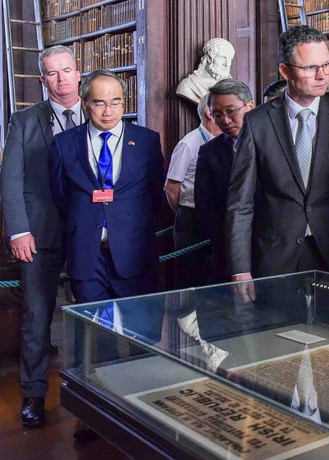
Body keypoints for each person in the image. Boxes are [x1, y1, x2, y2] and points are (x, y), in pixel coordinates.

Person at [226, 25, 329, 291]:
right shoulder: (257, 122)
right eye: (310, 68)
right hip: (274, 258)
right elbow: (240, 203)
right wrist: (240, 269)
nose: (322, 75)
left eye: (327, 65)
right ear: (285, 71)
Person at [0, 45, 82, 428]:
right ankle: (33, 395)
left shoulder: (99, 113)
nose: (61, 78)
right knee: (36, 317)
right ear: (42, 80)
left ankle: (88, 394)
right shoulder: (25, 121)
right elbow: (10, 181)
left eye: (66, 70)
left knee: (90, 313)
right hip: (38, 234)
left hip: (86, 233)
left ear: (77, 73)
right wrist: (19, 230)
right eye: (52, 73)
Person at [49, 69, 165, 304]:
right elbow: (61, 196)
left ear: (124, 102)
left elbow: (155, 195)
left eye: (116, 103)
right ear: (84, 103)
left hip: (134, 252)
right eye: (99, 103)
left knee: (141, 331)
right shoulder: (64, 143)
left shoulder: (146, 141)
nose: (108, 111)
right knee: (92, 334)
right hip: (86, 254)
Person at [194, 79, 255, 284]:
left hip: (273, 249)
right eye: (217, 115)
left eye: (231, 112)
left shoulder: (271, 144)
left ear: (250, 106)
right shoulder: (209, 151)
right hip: (225, 250)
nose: (225, 120)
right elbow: (205, 206)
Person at [164, 94, 221, 288]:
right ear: (210, 114)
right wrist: (185, 211)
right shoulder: (188, 144)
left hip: (216, 217)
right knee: (190, 276)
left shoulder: (225, 142)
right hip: (190, 218)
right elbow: (171, 189)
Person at [176, 38, 236, 104]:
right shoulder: (188, 85)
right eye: (222, 57)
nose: (227, 64)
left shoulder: (233, 86)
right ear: (209, 58)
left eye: (229, 59)